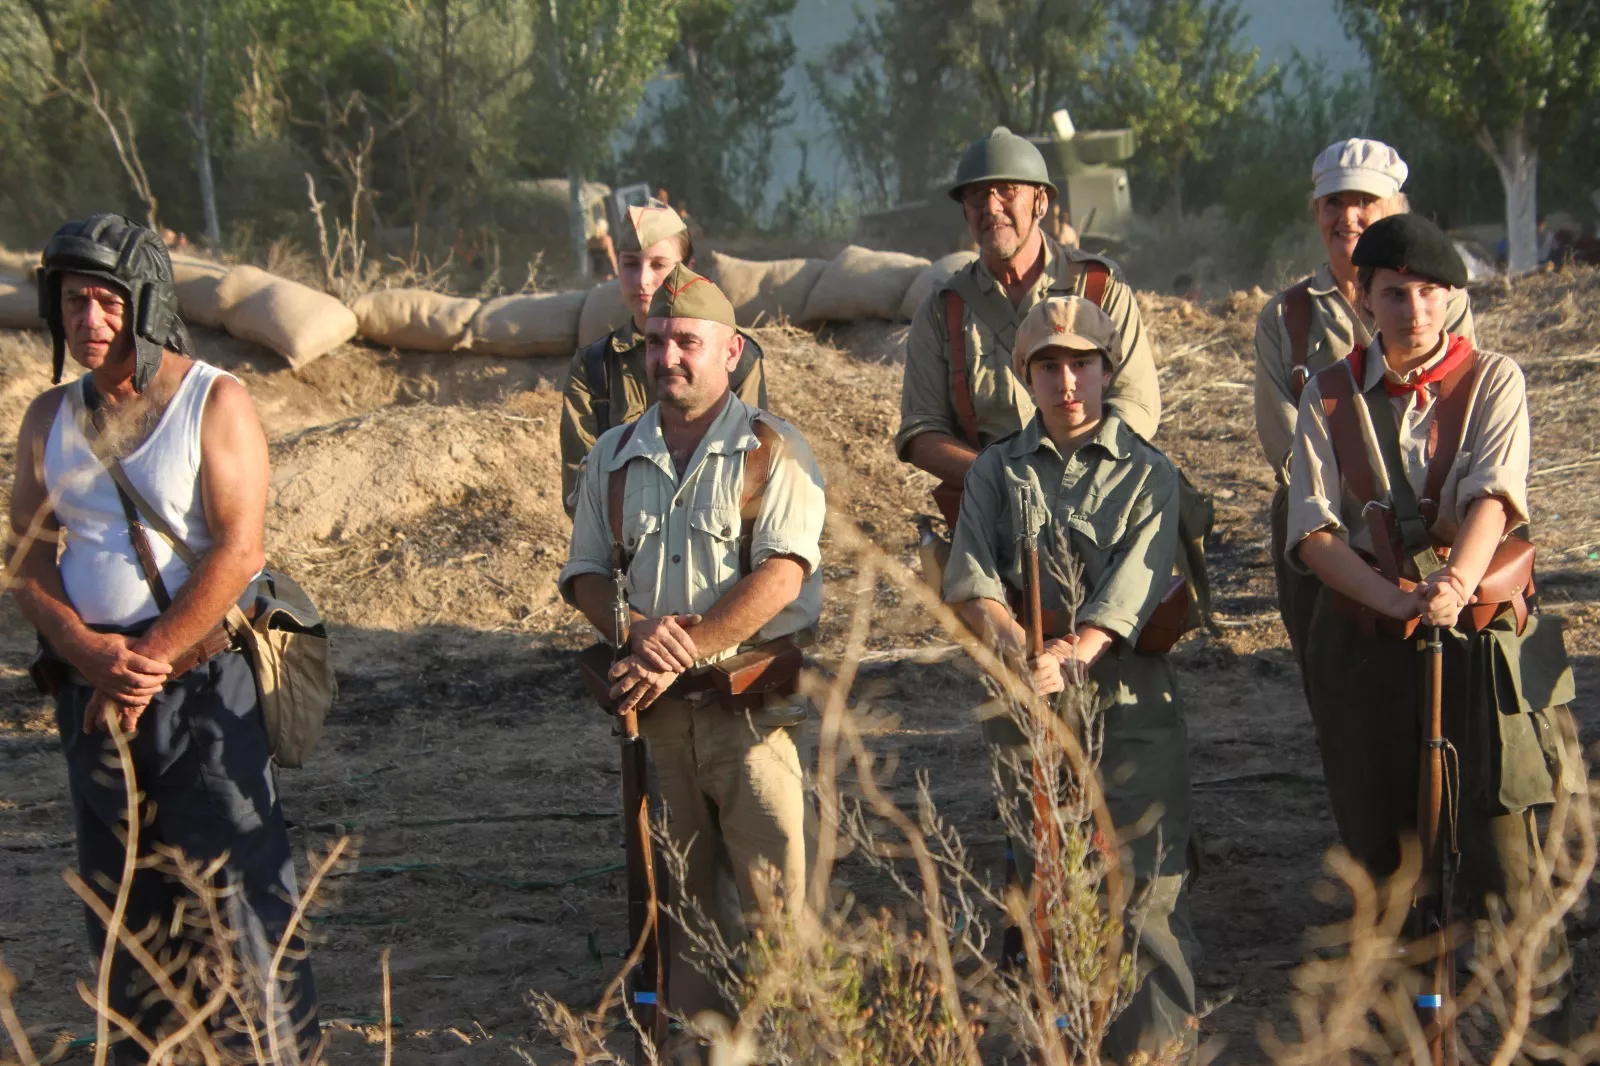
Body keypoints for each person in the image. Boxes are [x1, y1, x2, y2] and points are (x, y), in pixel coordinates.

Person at [4, 215, 318, 1062]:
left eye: (107, 300)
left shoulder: (215, 401)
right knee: (124, 906)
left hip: (201, 690)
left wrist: (141, 663)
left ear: (144, 305)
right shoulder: (47, 419)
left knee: (239, 898)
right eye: (73, 302)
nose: (89, 319)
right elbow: (27, 562)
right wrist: (85, 652)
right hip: (93, 693)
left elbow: (240, 551)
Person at [1286, 214, 1581, 1044]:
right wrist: (1393, 604)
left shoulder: (1495, 378)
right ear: (1364, 298)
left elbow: (1494, 497)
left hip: (1484, 641)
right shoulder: (1328, 392)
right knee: (1385, 853)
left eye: (1428, 293)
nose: (1412, 310)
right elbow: (1311, 535)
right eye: (1393, 293)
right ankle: (1409, 1036)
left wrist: (1450, 584)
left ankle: (1530, 1029)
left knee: (1508, 848)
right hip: (1373, 643)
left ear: (1452, 298)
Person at [559, 263, 824, 1044]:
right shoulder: (609, 455)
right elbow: (583, 576)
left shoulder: (774, 451)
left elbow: (782, 573)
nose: (668, 357)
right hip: (660, 724)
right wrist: (634, 628)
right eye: (656, 342)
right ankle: (702, 1047)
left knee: (779, 901)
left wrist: (689, 646)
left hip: (752, 720)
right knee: (682, 906)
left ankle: (786, 1049)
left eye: (687, 342)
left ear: (731, 351)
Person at [944, 295, 1199, 1064]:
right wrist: (1022, 648)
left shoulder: (1151, 472)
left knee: (1145, 888)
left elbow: (1137, 589)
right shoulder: (996, 469)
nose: (1067, 382)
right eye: (1048, 366)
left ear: (1106, 369)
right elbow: (972, 578)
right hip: (1029, 699)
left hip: (1126, 702)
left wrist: (1072, 652)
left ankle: (1152, 1051)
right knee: (1047, 884)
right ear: (1026, 375)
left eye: (1081, 363)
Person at [1255, 139, 1474, 676]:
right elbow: (1283, 439)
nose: (1347, 218)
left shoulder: (1448, 302)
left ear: (1397, 209)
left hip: (1429, 503)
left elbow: (1458, 408)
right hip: (1332, 511)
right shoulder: (1287, 316)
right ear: (1316, 213)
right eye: (1333, 204)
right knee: (1336, 679)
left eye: (1364, 203)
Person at [897, 126, 1162, 527]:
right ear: (965, 210)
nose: (991, 206)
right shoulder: (942, 312)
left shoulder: (1098, 288)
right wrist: (1001, 481)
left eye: (1007, 191)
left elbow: (1137, 405)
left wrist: (1078, 475)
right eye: (976, 196)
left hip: (1099, 504)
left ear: (1040, 202)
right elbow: (920, 432)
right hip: (992, 514)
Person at [559, 200, 767, 513]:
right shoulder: (594, 367)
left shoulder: (735, 358)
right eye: (630, 264)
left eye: (658, 265)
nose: (642, 280)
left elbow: (750, 475)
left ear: (688, 268)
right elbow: (581, 494)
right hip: (624, 549)